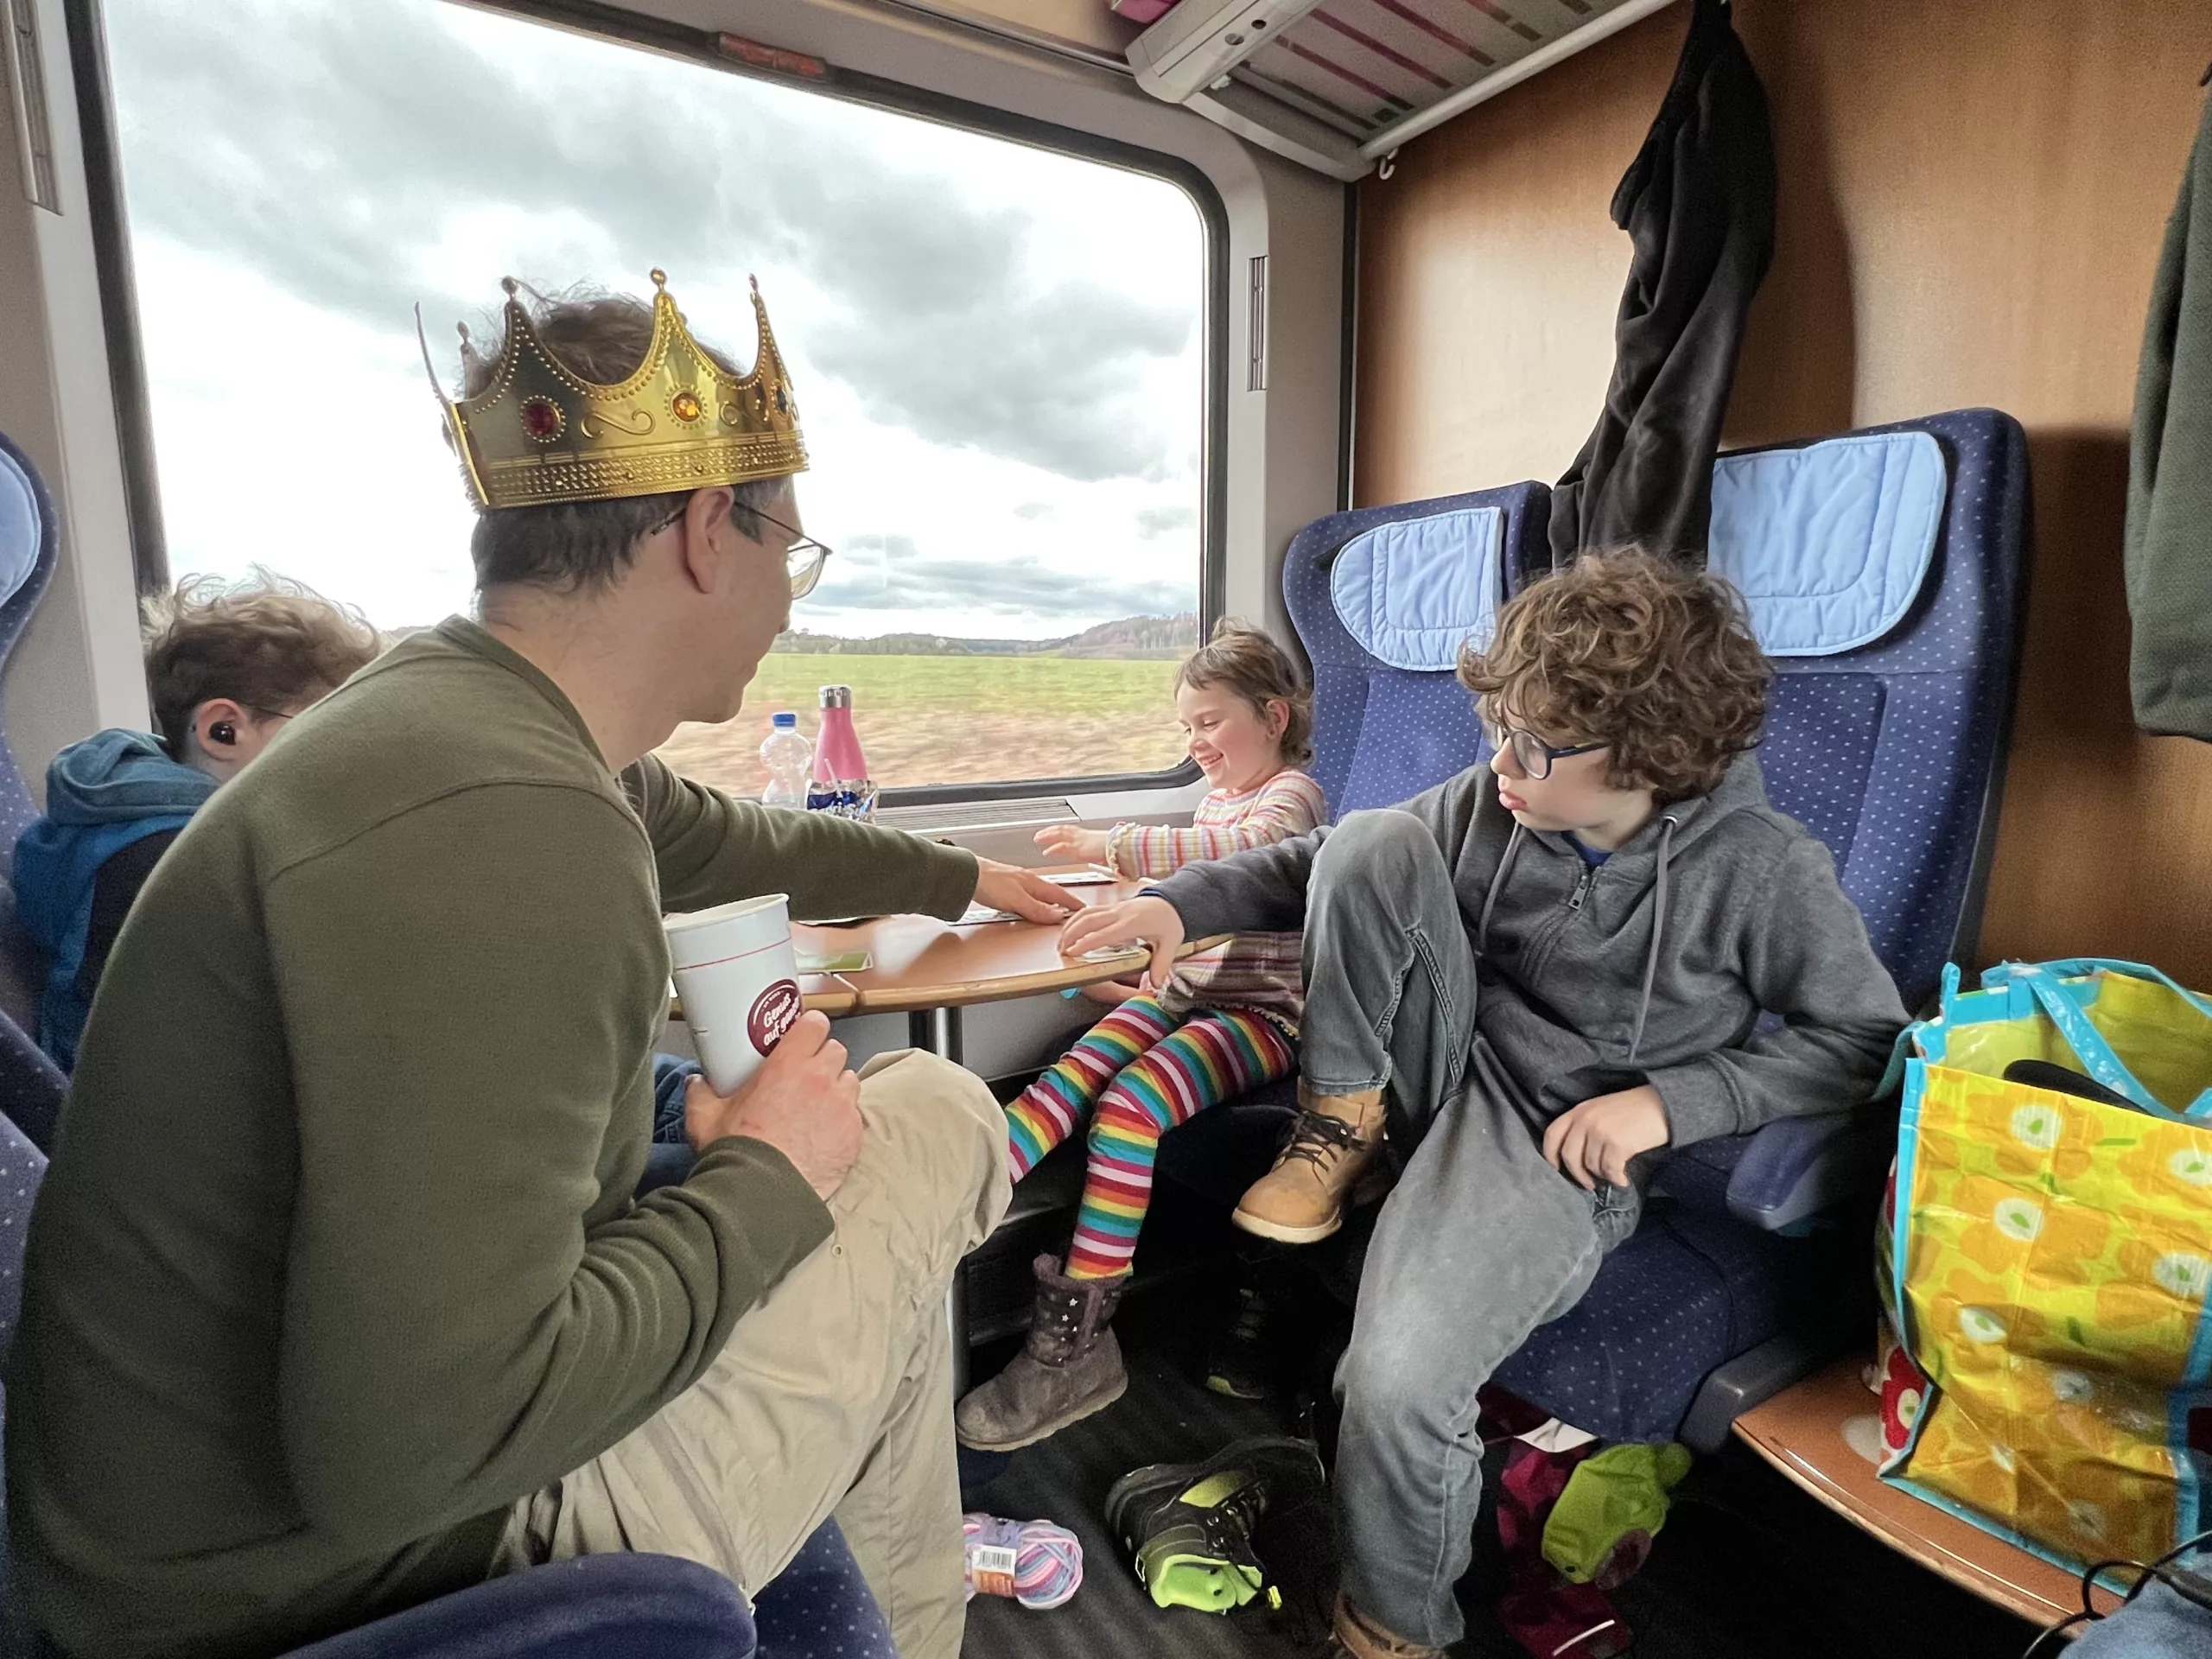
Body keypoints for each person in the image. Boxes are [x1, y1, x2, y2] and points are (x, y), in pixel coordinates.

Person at [5, 272, 1073, 1659]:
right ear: (706, 531)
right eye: (790, 558)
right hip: (339, 1573)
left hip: (185, 1522)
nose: (789, 608)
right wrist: (766, 1177)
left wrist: (962, 877)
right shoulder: (509, 824)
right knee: (931, 1117)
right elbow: (418, 1452)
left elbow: (717, 831)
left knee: (874, 1212)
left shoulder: (457, 715)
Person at [1063, 550, 1908, 1659]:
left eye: (1536, 747)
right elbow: (1322, 860)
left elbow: (1866, 1039)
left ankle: (1393, 1629)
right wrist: (1176, 904)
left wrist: (1674, 1103)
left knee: (1398, 1384)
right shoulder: (1493, 801)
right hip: (1422, 1063)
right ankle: (1337, 1131)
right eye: (1497, 729)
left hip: (1550, 1139)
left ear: (1647, 756)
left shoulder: (1758, 871)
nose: (1501, 762)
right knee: (1373, 839)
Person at [952, 621, 1325, 1452]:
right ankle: (945, 1208)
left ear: (1272, 717)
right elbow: (1181, 883)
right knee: (1071, 1070)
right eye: (1185, 727)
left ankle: (1077, 1348)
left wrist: (1113, 841)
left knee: (1127, 1110)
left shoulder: (1290, 797)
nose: (1194, 742)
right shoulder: (1214, 799)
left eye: (1211, 722)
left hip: (1264, 1016)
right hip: (1189, 991)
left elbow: (1246, 854)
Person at [11, 570, 382, 1071]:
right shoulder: (167, 859)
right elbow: (155, 1043)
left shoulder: (160, 822)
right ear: (222, 730)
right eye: (329, 734)